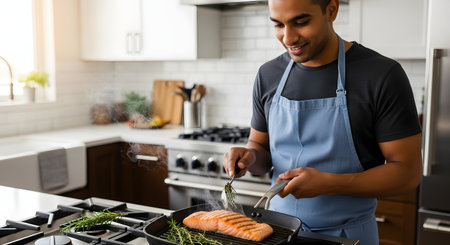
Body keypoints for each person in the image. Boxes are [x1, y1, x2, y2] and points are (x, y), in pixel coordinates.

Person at [223, 0, 422, 244]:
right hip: (276, 233)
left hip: (347, 236)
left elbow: (407, 173)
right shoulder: (268, 74)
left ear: (331, 10)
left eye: (301, 22)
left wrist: (329, 183)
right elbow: (260, 148)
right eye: (278, 25)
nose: (289, 38)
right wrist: (250, 156)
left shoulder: (381, 75)